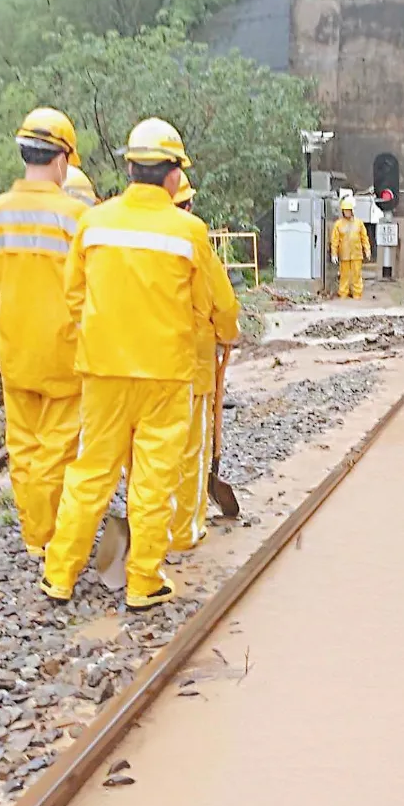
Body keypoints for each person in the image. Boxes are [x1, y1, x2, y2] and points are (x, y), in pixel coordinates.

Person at [41, 118, 224, 610]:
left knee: (91, 471)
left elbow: (73, 294)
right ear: (173, 175)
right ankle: (143, 581)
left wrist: (103, 335)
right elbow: (211, 304)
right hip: (165, 376)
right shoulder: (189, 231)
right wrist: (220, 331)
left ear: (128, 167)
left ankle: (59, 574)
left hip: (102, 371)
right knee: (154, 476)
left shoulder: (93, 222)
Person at [0, 107, 89, 558]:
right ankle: (49, 536)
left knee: (22, 446)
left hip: (13, 345)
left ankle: (33, 537)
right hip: (62, 349)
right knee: (57, 449)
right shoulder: (75, 216)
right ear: (62, 160)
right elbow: (89, 281)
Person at [169, 172, 239, 551]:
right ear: (189, 205)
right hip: (190, 361)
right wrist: (228, 332)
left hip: (138, 361)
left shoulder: (132, 233)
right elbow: (222, 301)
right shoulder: (194, 238)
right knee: (190, 447)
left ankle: (150, 525)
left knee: (149, 448)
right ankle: (185, 528)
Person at [330, 193, 370, 299]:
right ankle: (343, 293)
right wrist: (334, 254)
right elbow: (335, 240)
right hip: (344, 254)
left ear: (352, 210)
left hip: (357, 254)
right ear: (342, 211)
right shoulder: (338, 224)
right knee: (344, 275)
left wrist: (367, 250)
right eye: (345, 210)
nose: (347, 212)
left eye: (348, 210)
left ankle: (357, 293)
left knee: (356, 275)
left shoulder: (359, 223)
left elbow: (364, 237)